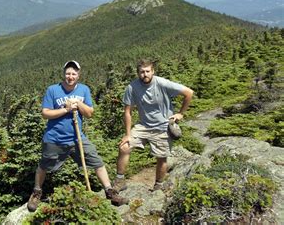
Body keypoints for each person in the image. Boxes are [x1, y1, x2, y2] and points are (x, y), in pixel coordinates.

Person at [27, 60, 127, 212]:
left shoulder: (84, 90)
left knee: (97, 161)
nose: (70, 76)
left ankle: (109, 191)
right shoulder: (53, 90)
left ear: (78, 75)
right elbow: (45, 113)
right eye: (68, 73)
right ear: (64, 74)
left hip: (77, 138)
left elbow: (90, 113)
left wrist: (78, 104)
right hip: (54, 139)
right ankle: (36, 192)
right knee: (43, 166)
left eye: (74, 73)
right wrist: (66, 110)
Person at [113, 59, 194, 192]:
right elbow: (128, 112)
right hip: (143, 126)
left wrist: (181, 114)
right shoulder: (132, 87)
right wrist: (127, 134)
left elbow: (188, 93)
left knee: (161, 157)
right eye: (142, 72)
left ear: (153, 71)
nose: (145, 74)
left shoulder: (162, 83)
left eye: (147, 71)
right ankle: (120, 180)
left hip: (162, 126)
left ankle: (158, 185)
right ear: (138, 73)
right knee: (124, 147)